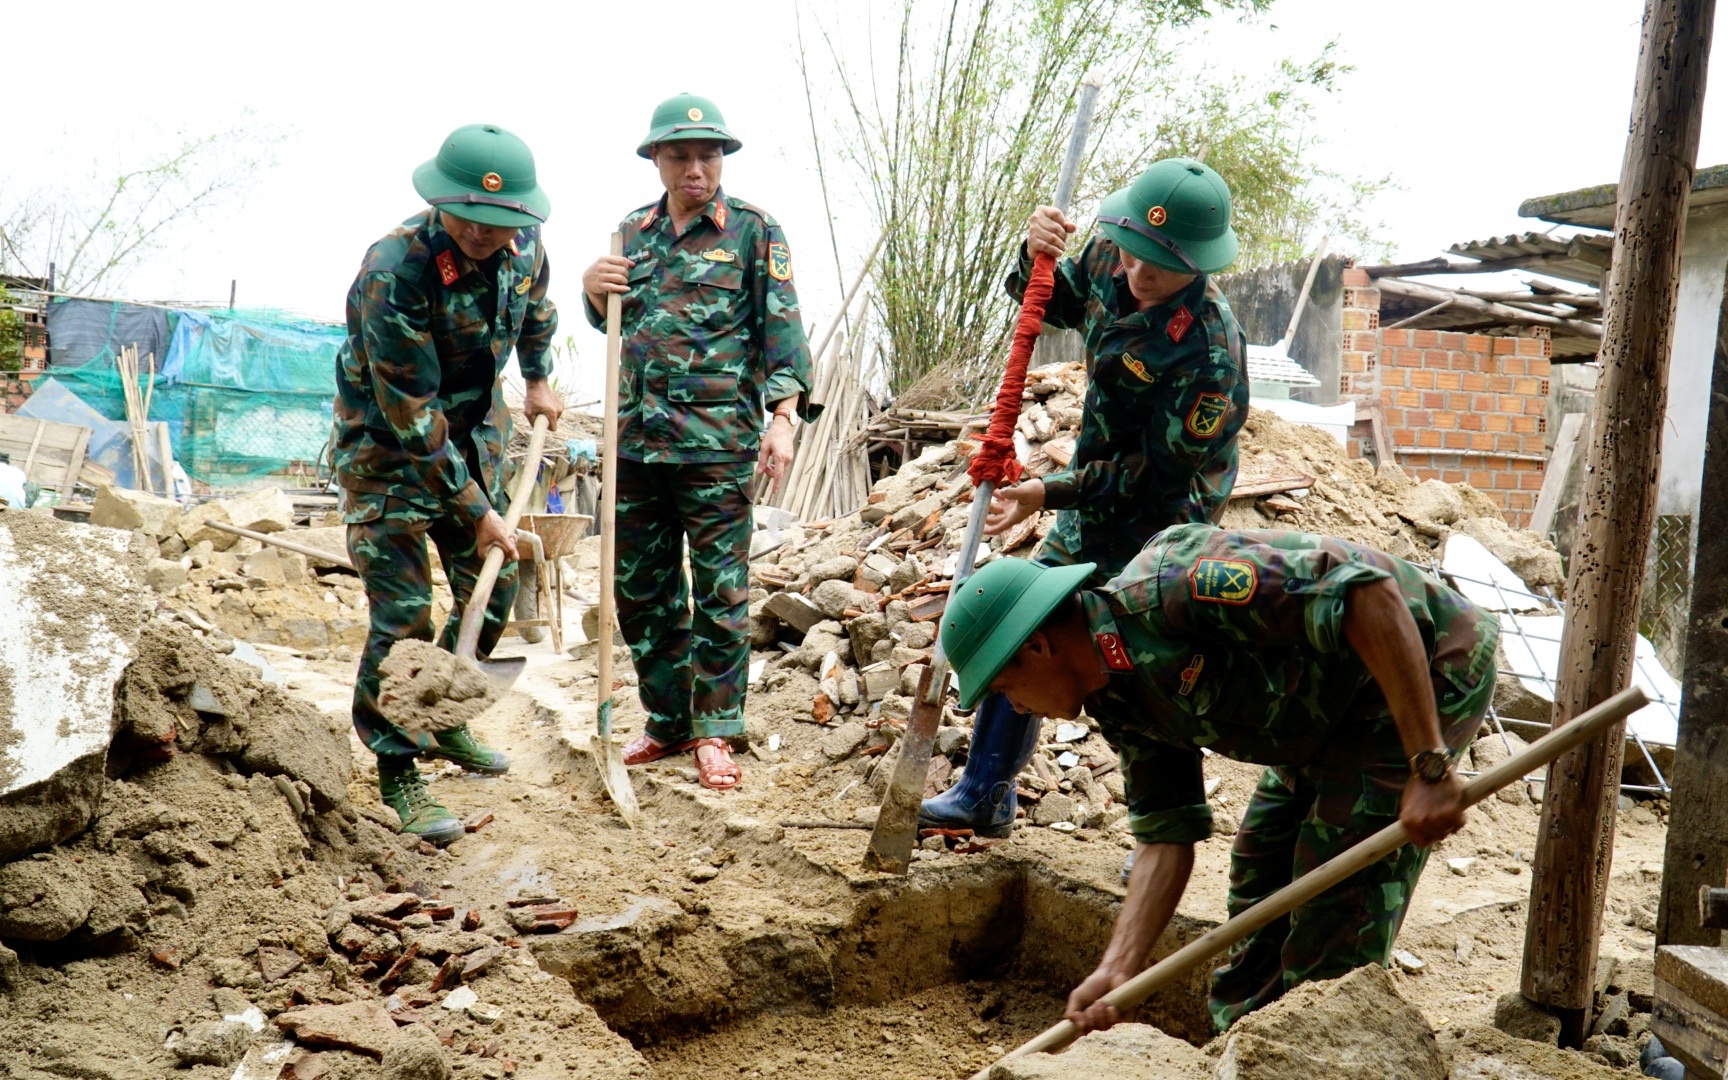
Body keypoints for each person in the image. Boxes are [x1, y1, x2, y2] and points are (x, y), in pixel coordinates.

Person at [940, 524, 1499, 1031]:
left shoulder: (1179, 590)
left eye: (1002, 690)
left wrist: (1427, 763)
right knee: (1260, 883)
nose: (1013, 709)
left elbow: (1368, 596)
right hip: (1324, 716)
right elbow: (1165, 835)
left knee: (1334, 912)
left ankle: (1328, 1047)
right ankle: (1245, 1048)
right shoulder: (1114, 695)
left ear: (1037, 646)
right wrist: (1119, 969)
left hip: (1426, 663)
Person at [921, 157, 1250, 837]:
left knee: (1145, 653)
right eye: (1132, 253)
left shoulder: (1211, 357)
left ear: (1197, 262)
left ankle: (1162, 828)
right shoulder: (1115, 251)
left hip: (1168, 512)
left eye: (1157, 265)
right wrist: (1034, 250)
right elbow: (1047, 299)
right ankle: (986, 792)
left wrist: (1051, 491)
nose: (1137, 272)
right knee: (1031, 615)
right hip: (1094, 480)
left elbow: (1154, 477)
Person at [331, 123, 562, 845]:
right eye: (471, 218)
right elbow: (411, 413)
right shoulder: (393, 272)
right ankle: (399, 765)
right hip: (390, 454)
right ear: (441, 202)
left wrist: (539, 376)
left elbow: (538, 312)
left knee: (486, 601)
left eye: (502, 222)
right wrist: (477, 509)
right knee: (404, 621)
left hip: (475, 440)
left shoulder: (523, 244)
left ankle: (447, 722)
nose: (486, 233)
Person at [580, 93, 815, 791]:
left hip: (716, 444)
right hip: (636, 445)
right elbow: (614, 325)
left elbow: (783, 332)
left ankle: (716, 730)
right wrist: (592, 292)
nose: (695, 168)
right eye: (680, 155)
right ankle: (668, 721)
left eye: (708, 155)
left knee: (720, 591)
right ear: (656, 159)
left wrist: (783, 418)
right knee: (642, 591)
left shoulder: (754, 231)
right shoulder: (632, 232)